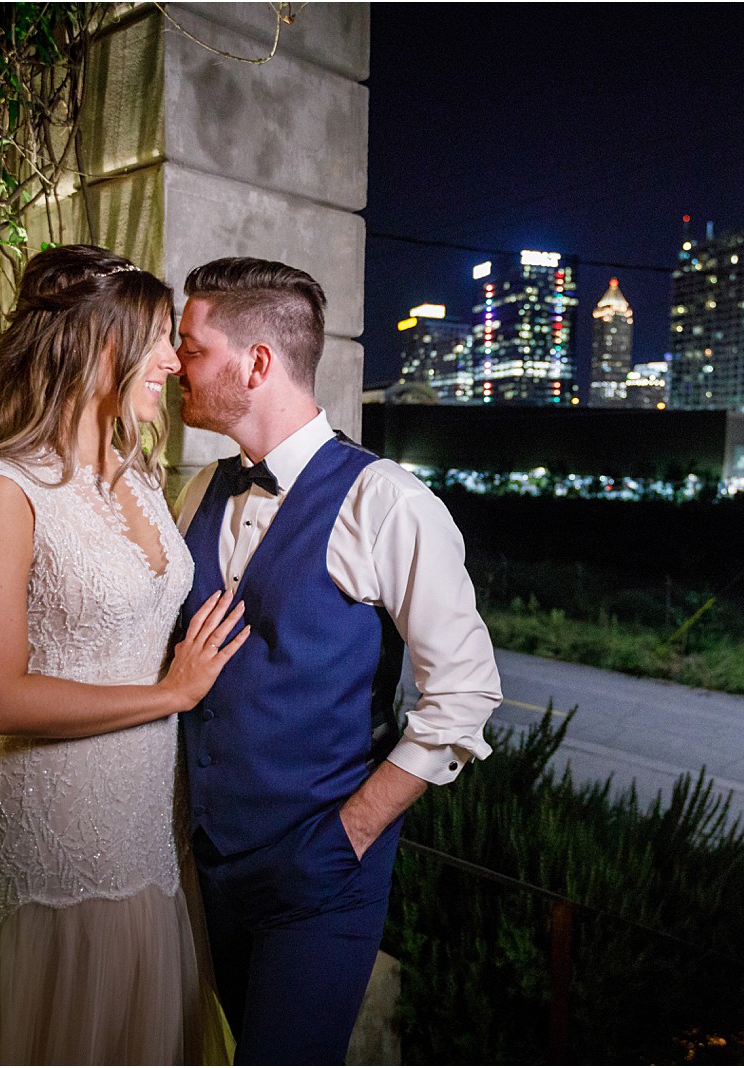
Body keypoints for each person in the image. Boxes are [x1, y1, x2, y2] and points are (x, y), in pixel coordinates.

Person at [0, 244, 245, 1065]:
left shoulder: (135, 475)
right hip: (52, 836)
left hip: (147, 835)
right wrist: (170, 695)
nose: (174, 358)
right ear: (98, 344)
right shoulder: (0, 485)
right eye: (159, 337)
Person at [172, 257, 501, 1064]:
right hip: (202, 872)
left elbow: (465, 693)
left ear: (256, 363)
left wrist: (351, 830)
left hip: (320, 878)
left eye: (191, 346)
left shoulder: (387, 502)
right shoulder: (193, 492)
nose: (175, 363)